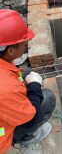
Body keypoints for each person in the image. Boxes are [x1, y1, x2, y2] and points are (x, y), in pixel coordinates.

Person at [0, 9, 56, 153]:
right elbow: (31, 113)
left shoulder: (4, 61)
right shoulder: (6, 88)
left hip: (5, 108)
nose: (26, 44)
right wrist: (35, 85)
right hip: (2, 133)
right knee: (48, 99)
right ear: (11, 50)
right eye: (23, 45)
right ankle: (24, 136)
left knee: (27, 72)